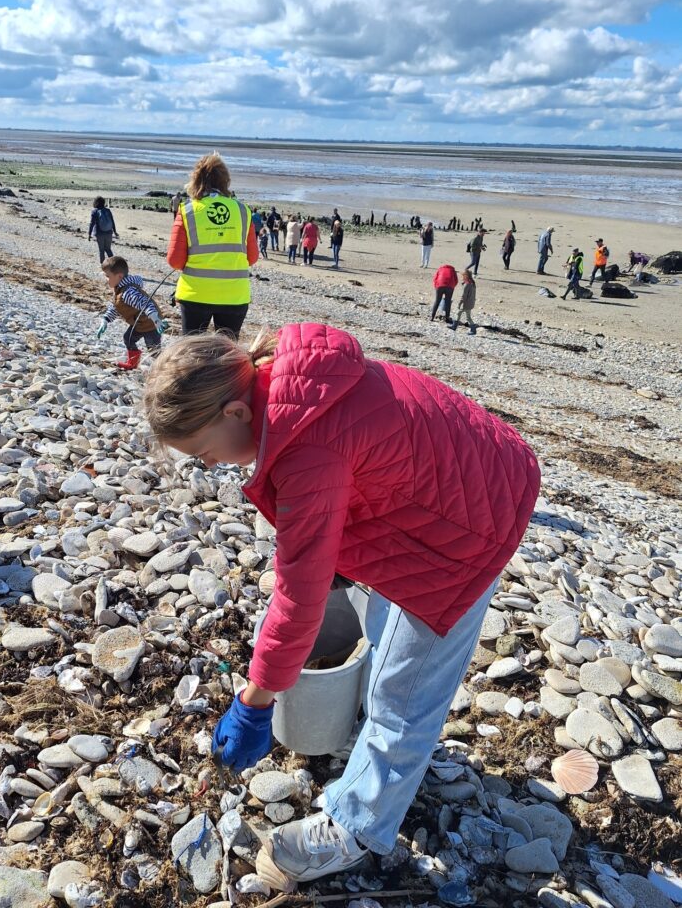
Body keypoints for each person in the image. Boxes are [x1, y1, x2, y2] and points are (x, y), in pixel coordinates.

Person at [143, 324, 540, 884]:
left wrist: (255, 703)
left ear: (235, 411)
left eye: (204, 453)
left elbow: (298, 598)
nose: (209, 466)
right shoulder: (289, 379)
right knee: (384, 649)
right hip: (464, 474)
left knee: (404, 693)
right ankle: (372, 745)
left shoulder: (305, 448)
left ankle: (356, 826)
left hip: (471, 526)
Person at [166, 153, 258, 340]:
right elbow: (252, 257)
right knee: (227, 354)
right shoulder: (242, 211)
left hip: (195, 294)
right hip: (234, 295)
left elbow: (175, 261)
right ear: (226, 181)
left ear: (196, 180)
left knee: (192, 352)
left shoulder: (188, 211)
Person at [96, 255, 165, 370]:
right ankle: (132, 363)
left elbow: (146, 304)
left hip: (150, 324)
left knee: (154, 350)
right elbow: (116, 307)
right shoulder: (120, 289)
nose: (106, 280)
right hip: (138, 323)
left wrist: (156, 319)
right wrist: (105, 320)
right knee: (128, 338)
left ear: (119, 276)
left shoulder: (129, 292)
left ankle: (166, 368)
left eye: (108, 276)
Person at [88, 196, 118, 263]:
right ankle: (114, 264)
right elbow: (112, 221)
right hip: (109, 232)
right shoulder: (108, 210)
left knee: (101, 250)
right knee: (108, 249)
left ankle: (103, 266)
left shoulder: (94, 211)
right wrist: (115, 231)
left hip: (99, 233)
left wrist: (89, 234)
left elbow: (91, 223)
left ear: (96, 202)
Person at [448, 270, 477, 335]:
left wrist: (459, 303)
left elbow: (463, 296)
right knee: (459, 314)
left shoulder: (467, 284)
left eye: (463, 275)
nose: (462, 277)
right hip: (470, 303)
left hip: (466, 304)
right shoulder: (472, 283)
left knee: (467, 317)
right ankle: (454, 326)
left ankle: (473, 330)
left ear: (466, 276)